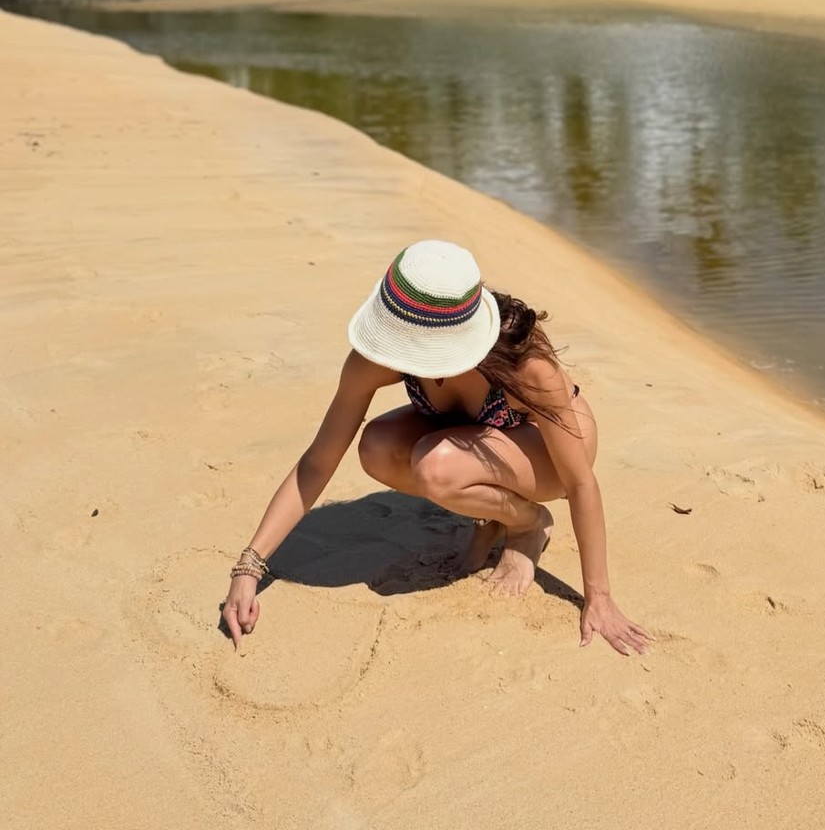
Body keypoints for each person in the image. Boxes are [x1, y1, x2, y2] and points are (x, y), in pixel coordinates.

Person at [222, 240, 650, 656]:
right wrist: (249, 565)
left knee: (437, 465)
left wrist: (599, 597)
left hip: (549, 451)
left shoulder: (526, 367)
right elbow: (318, 460)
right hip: (474, 439)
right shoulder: (376, 359)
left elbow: (579, 482)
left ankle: (526, 525)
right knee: (377, 446)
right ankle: (495, 513)